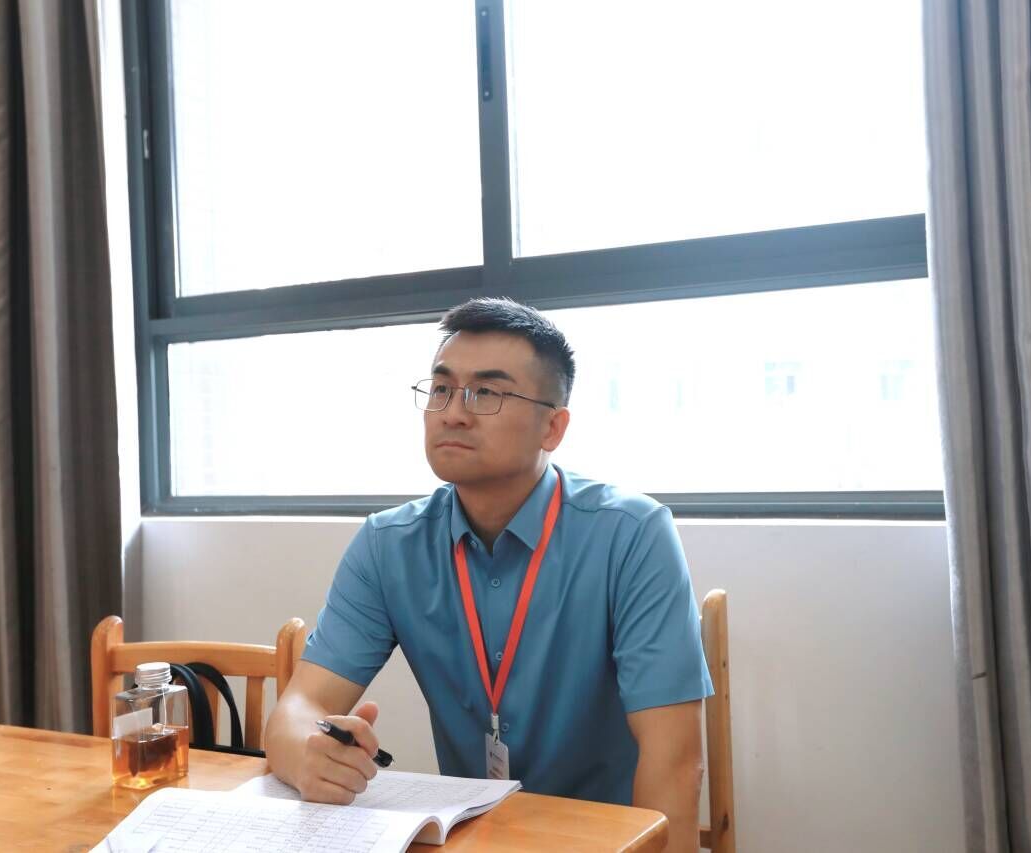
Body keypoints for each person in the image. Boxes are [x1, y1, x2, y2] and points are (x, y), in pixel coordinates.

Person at [264, 297, 712, 850]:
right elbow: (295, 711)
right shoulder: (389, 544)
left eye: (487, 393)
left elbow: (675, 765)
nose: (453, 412)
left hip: (605, 839)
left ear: (553, 426)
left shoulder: (632, 534)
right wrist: (311, 756)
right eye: (442, 389)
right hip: (471, 837)